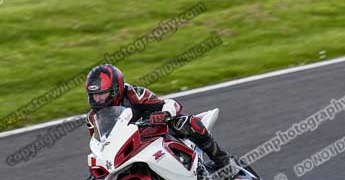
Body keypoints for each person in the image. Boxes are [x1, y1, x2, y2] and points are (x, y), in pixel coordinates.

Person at [85, 64, 235, 172]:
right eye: (94, 95)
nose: (98, 99)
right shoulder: (93, 118)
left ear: (116, 89)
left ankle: (224, 162)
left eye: (101, 94)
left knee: (186, 123)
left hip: (155, 130)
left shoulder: (133, 93)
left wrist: (164, 114)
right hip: (129, 147)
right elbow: (99, 144)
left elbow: (170, 104)